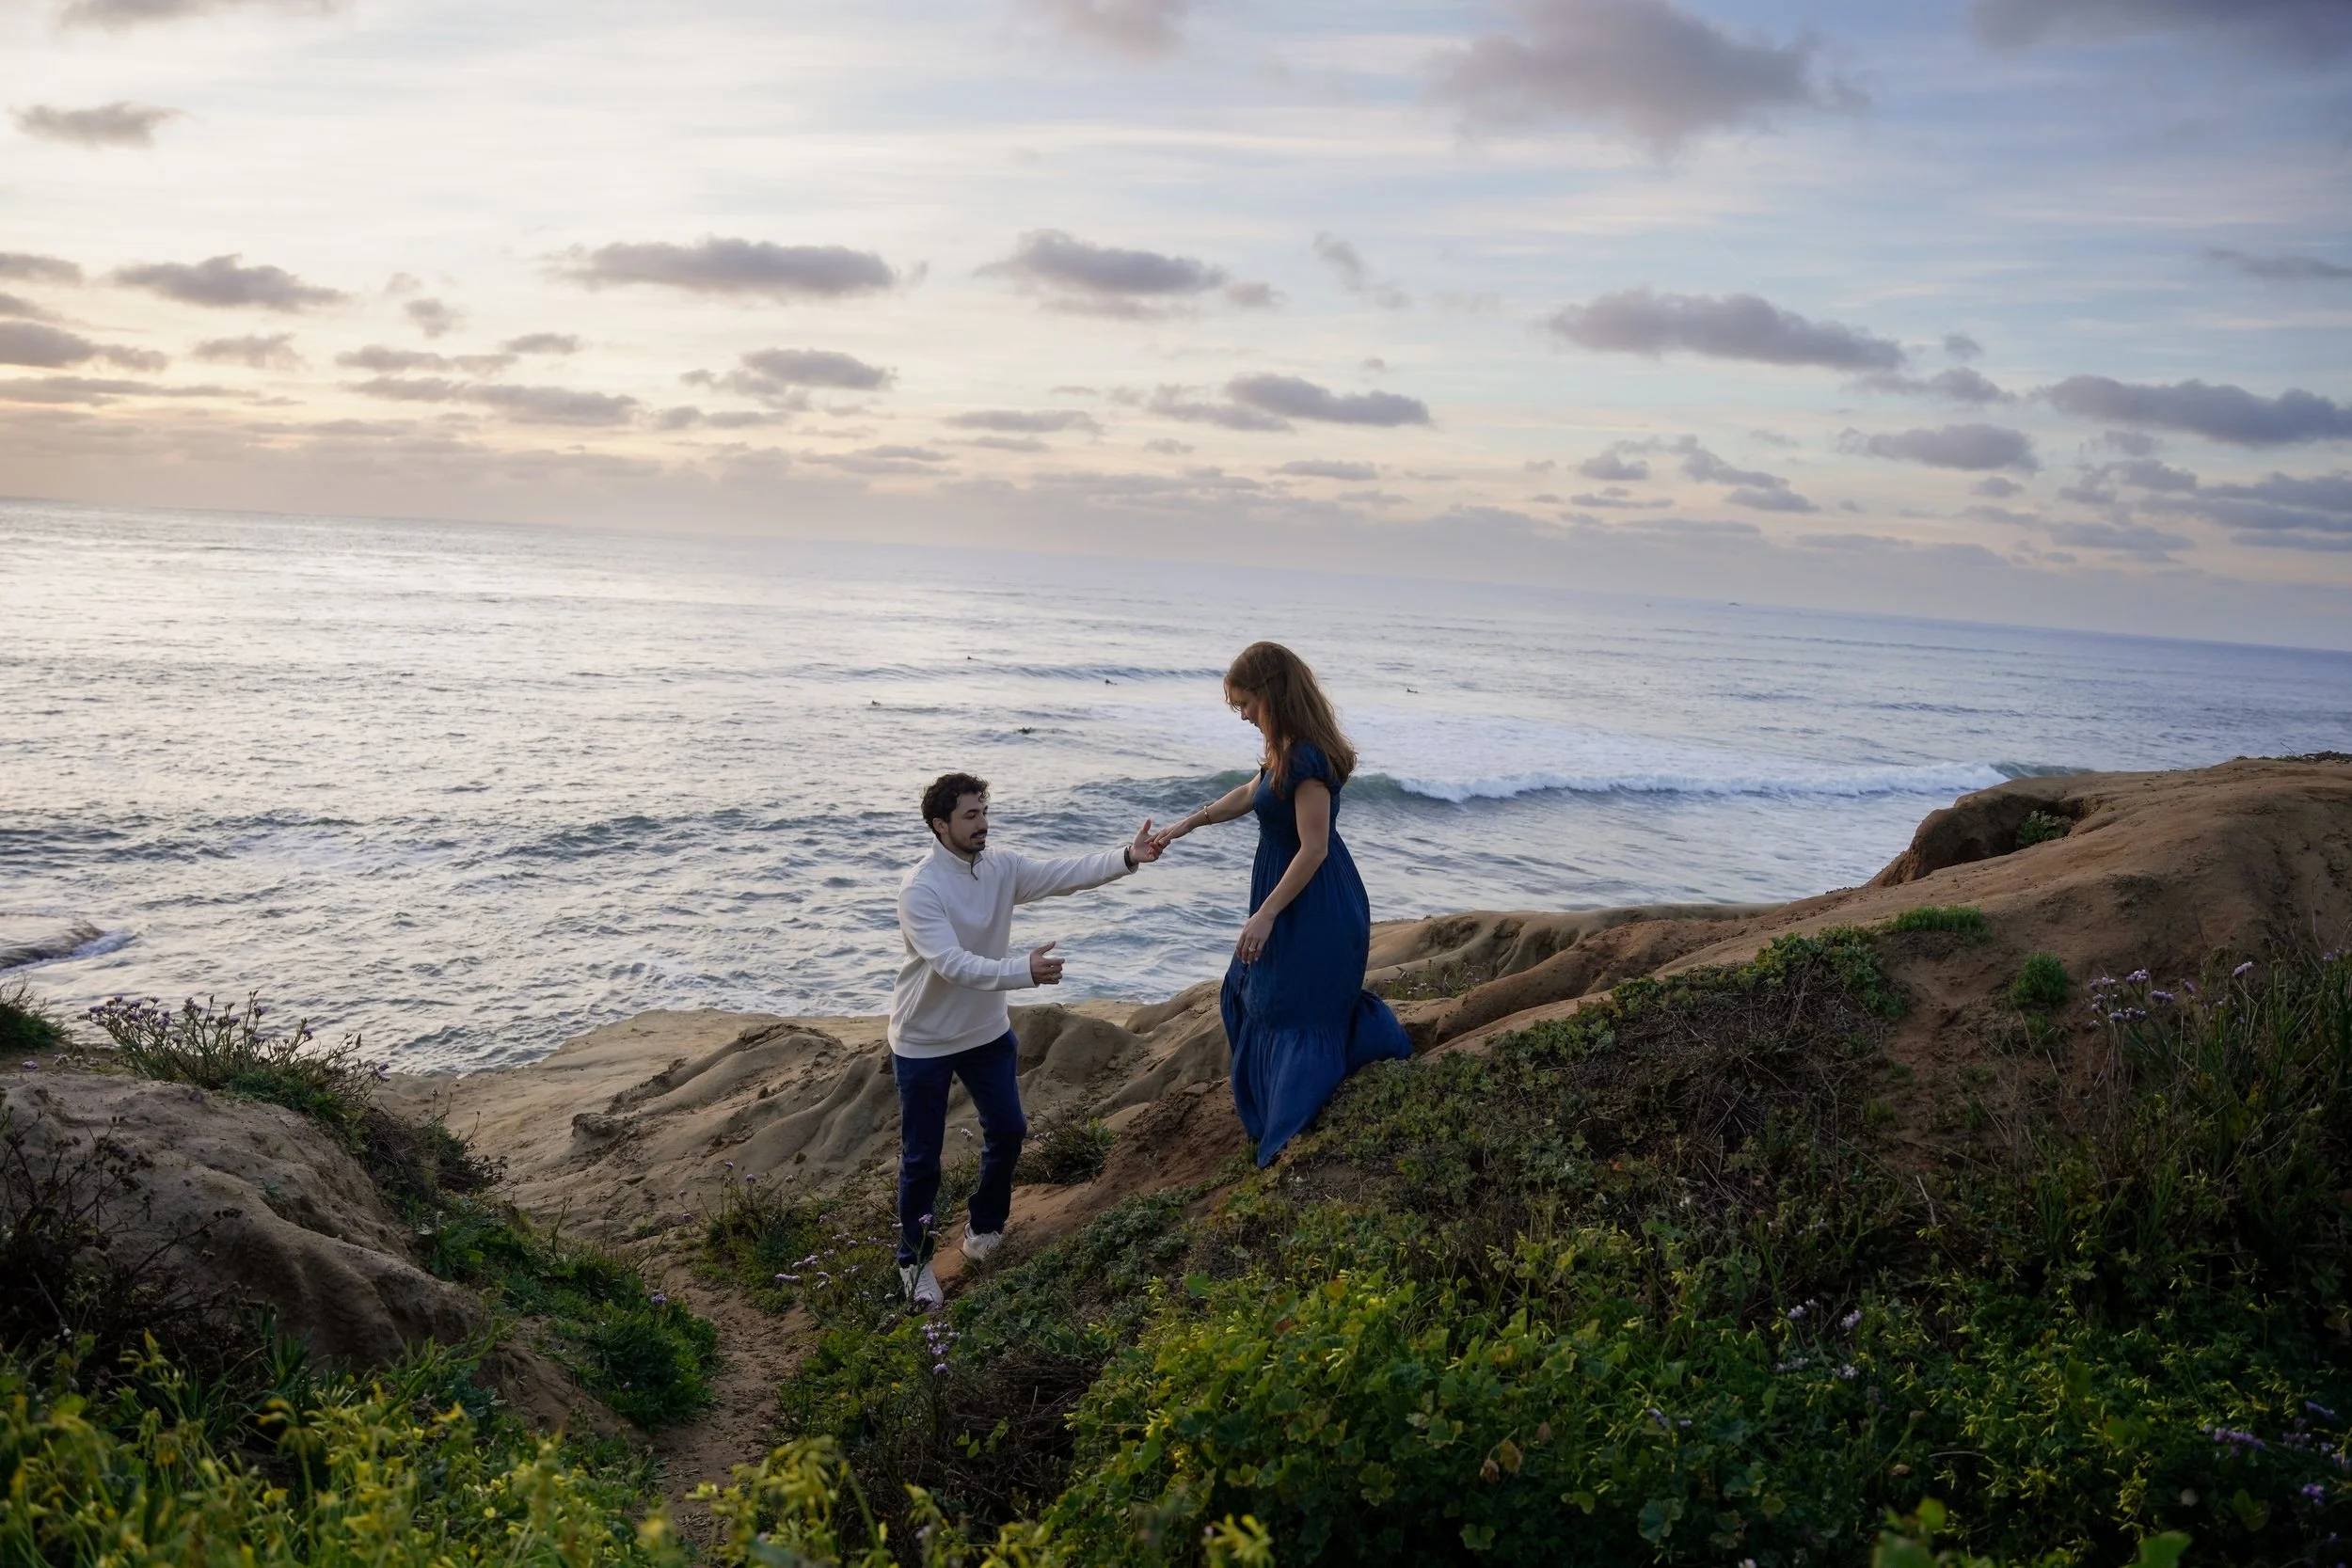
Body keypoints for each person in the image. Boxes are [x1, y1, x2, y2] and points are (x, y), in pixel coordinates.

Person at [890, 770, 1163, 1308]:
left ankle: (984, 1232)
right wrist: (1023, 971)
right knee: (922, 1159)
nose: (982, 824)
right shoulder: (920, 889)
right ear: (939, 825)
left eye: (984, 812)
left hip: (986, 1031)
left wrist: (1126, 858)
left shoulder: (1001, 867)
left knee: (1010, 1130)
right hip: (924, 1039)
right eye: (970, 816)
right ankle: (913, 1262)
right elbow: (951, 965)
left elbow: (1063, 873)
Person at [1151, 641, 1411, 1165]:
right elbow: (1250, 794)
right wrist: (1187, 824)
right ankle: (1274, 1113)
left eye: (1245, 703)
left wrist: (1266, 914)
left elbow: (1313, 849)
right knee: (1251, 992)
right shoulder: (1283, 749)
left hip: (1313, 904)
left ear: (1270, 693)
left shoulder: (1308, 758)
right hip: (1287, 894)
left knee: (1291, 1009)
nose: (1243, 715)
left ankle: (1289, 1130)